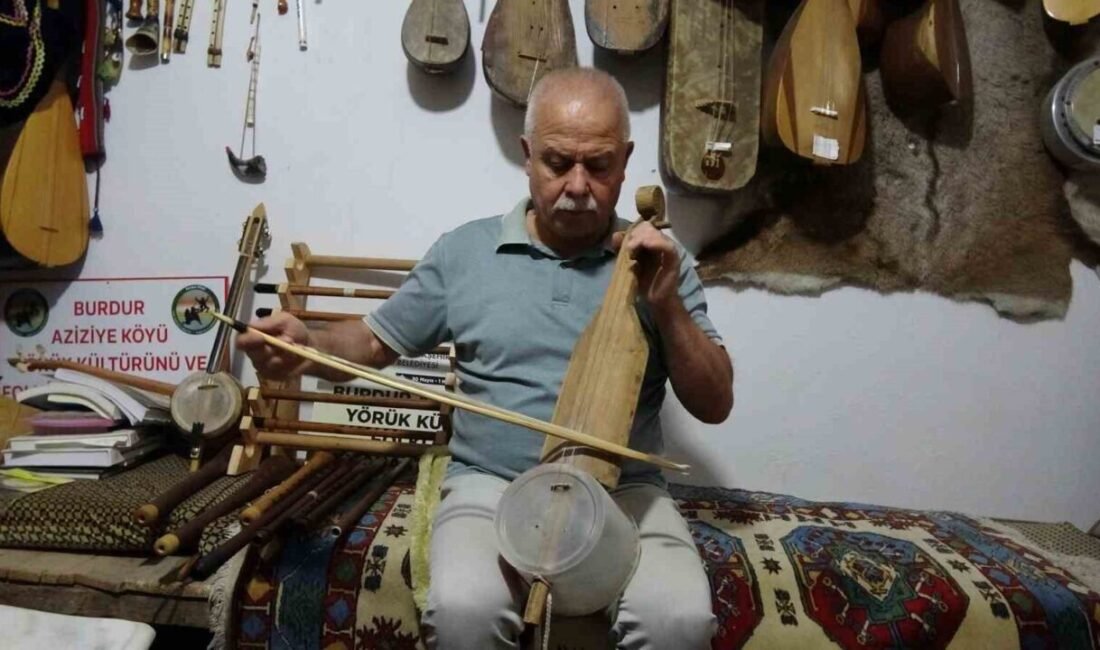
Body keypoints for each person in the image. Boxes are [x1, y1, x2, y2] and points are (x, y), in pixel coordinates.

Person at [236, 67, 734, 649]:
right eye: (557, 162)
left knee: (679, 621)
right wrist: (307, 345)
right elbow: (372, 342)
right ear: (527, 156)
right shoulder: (465, 252)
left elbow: (714, 403)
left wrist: (667, 303)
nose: (577, 185)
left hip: (624, 490)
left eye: (598, 166)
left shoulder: (661, 262)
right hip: (491, 485)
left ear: (625, 163)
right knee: (464, 610)